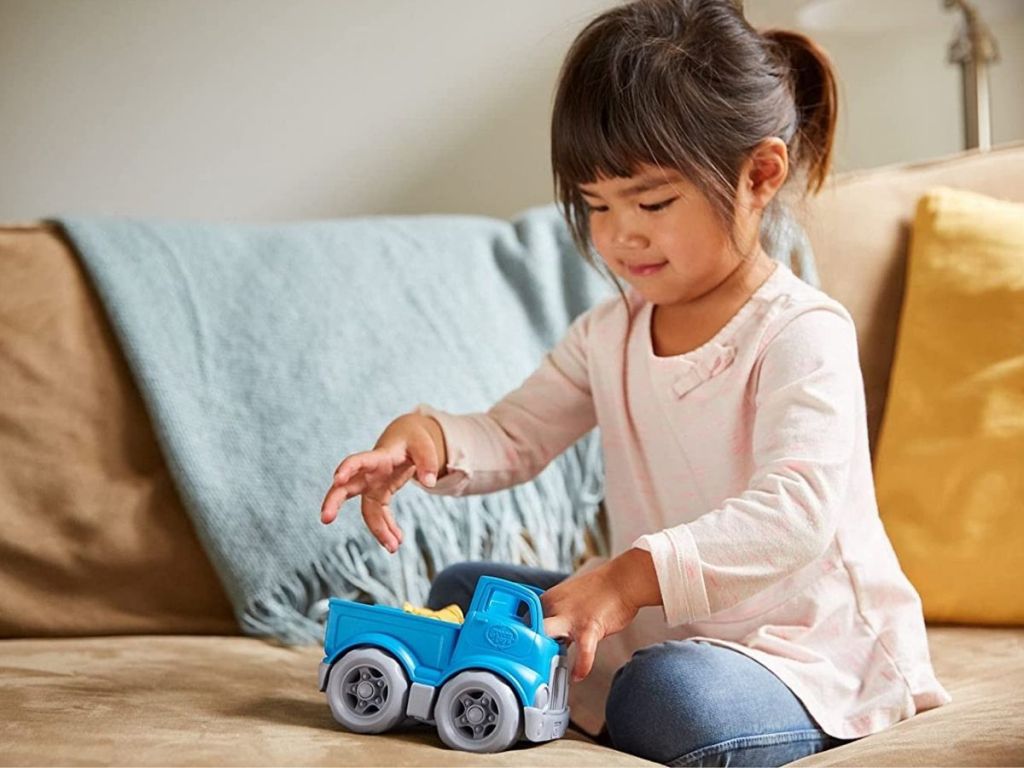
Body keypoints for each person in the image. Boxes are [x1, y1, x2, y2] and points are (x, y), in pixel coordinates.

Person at [320, 0, 951, 764]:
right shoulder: (609, 333)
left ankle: (613, 695)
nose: (620, 235)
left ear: (758, 175)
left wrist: (624, 579)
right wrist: (427, 438)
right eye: (596, 206)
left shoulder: (800, 331)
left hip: (802, 651)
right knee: (463, 588)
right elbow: (514, 434)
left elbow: (795, 514)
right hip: (666, 624)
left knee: (666, 697)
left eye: (652, 201)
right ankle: (588, 683)